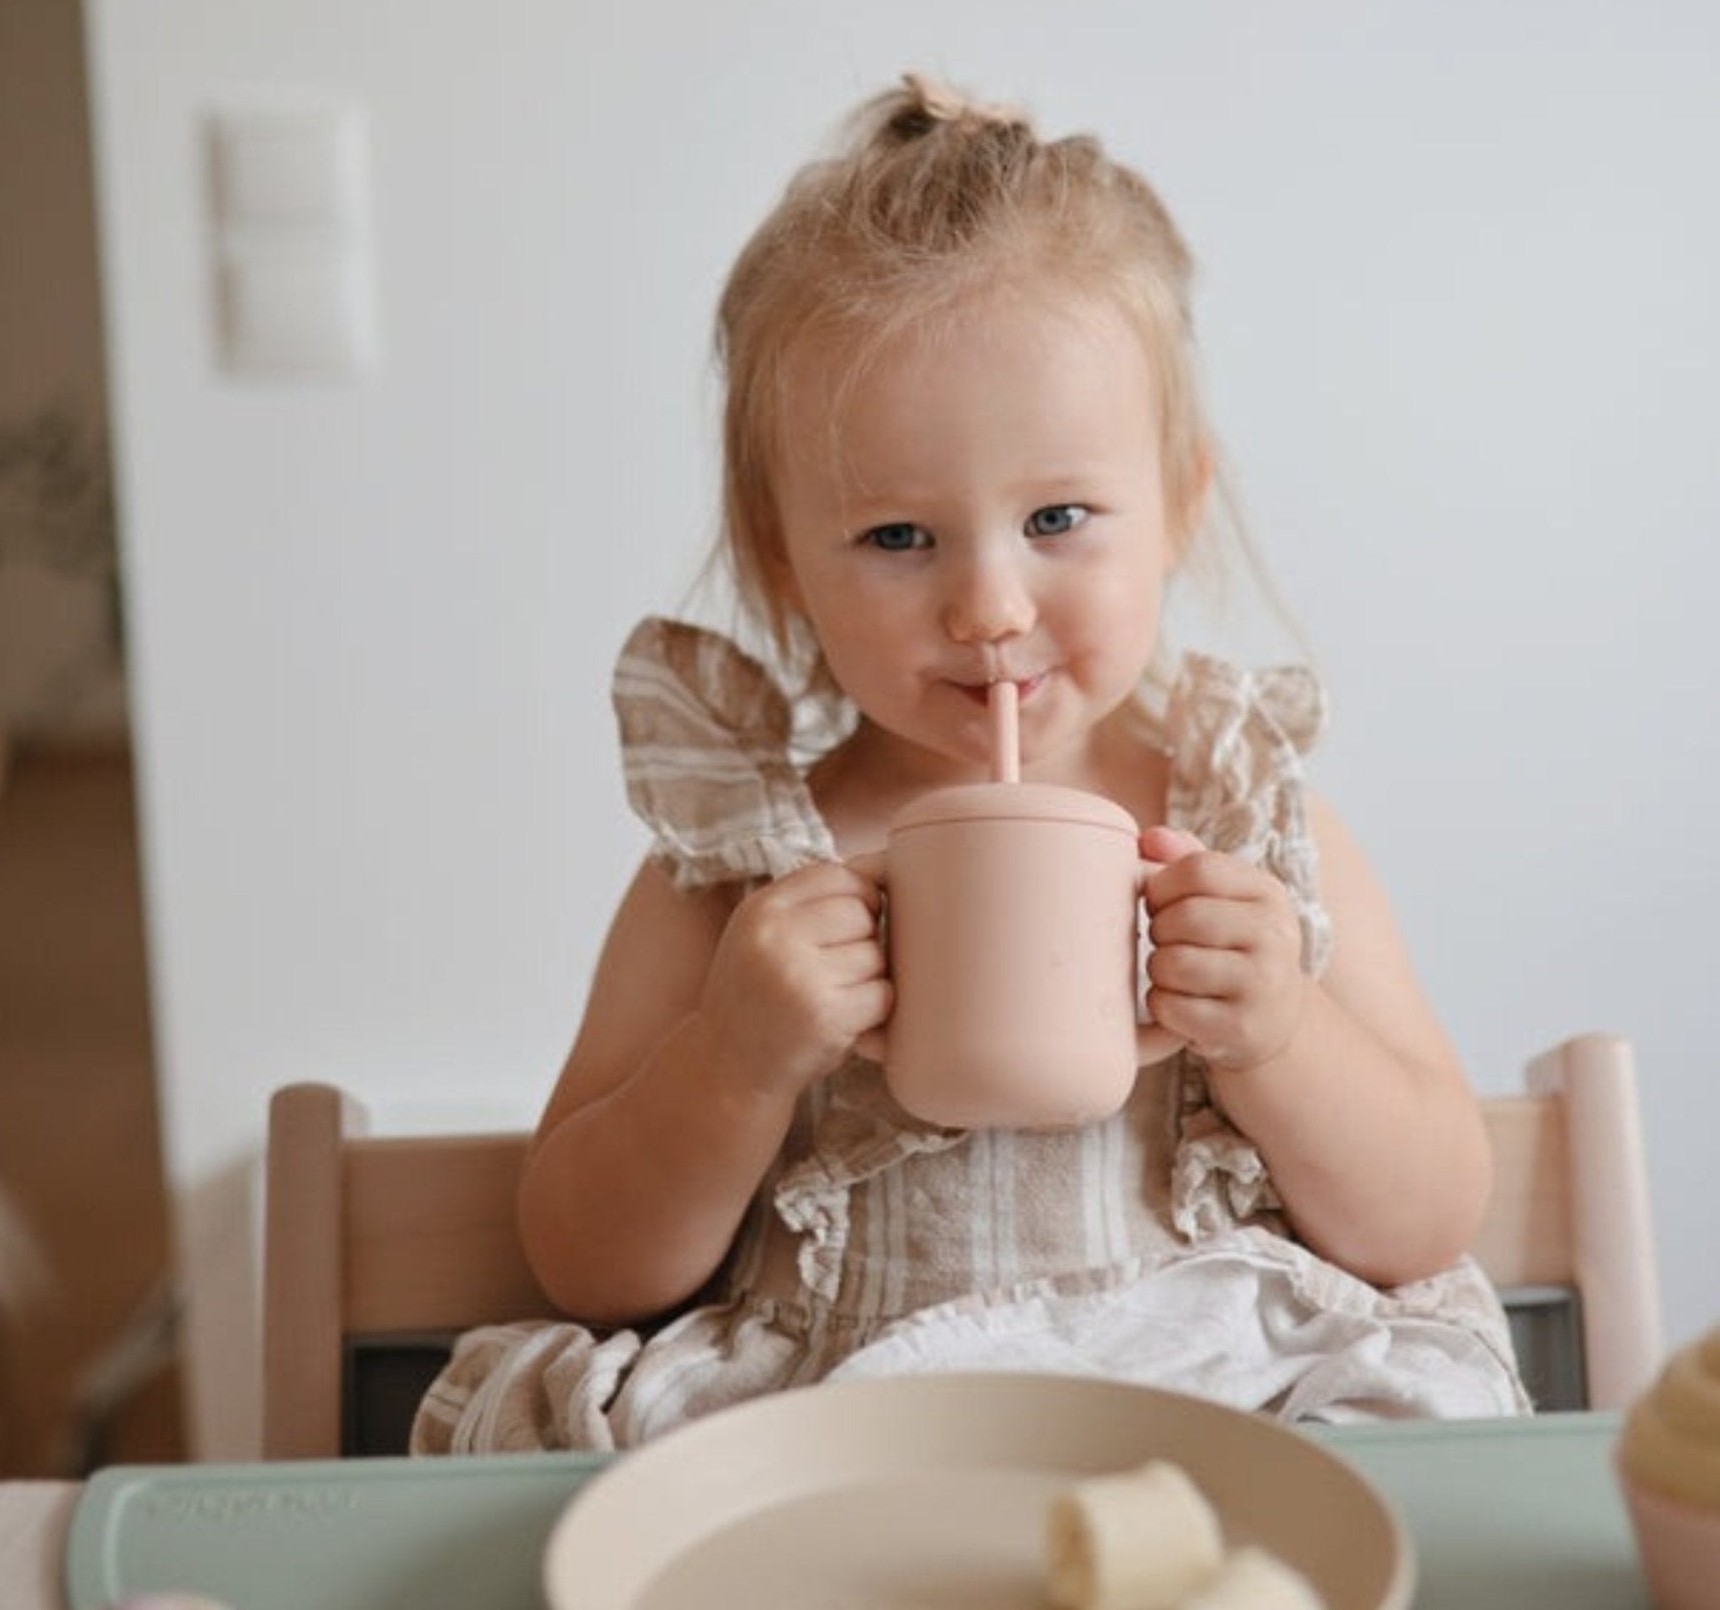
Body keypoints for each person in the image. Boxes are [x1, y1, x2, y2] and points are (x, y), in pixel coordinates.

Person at [412, 75, 1529, 1452]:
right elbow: (582, 1266)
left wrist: (1279, 1033)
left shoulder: (1247, 824)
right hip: (839, 1443)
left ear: (1177, 504)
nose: (990, 605)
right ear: (784, 561)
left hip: (1204, 1433)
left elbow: (1428, 1221)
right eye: (897, 538)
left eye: (1057, 516)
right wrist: (732, 1064)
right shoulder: (734, 866)